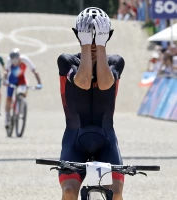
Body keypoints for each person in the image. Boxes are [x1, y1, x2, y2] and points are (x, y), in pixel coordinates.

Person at [57, 7, 125, 200]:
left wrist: (100, 46)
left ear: (106, 36)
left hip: (106, 140)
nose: (94, 42)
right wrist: (86, 44)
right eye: (89, 36)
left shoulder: (116, 61)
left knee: (116, 191)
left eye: (99, 37)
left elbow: (104, 83)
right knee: (69, 190)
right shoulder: (66, 61)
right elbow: (84, 81)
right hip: (74, 140)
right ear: (79, 36)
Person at [3, 48, 42, 128]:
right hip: (12, 79)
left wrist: (39, 83)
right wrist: (5, 81)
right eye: (13, 62)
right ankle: (7, 116)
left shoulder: (24, 59)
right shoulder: (9, 60)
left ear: (19, 58)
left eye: (16, 61)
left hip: (21, 79)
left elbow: (34, 70)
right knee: (9, 98)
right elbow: (6, 72)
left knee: (24, 90)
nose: (15, 63)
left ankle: (20, 102)